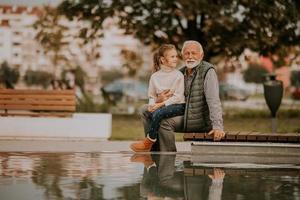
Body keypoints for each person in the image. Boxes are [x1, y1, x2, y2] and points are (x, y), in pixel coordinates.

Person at [140, 40, 225, 152]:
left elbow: (213, 100)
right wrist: (158, 100)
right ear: (183, 55)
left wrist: (217, 127)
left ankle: (167, 157)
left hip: (199, 120)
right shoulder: (180, 73)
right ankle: (153, 151)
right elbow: (169, 96)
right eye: (187, 53)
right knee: (144, 109)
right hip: (183, 113)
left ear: (201, 55)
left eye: (193, 53)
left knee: (164, 121)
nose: (190, 57)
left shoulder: (208, 71)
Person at [130, 44, 185, 152]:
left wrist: (158, 105)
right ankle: (154, 149)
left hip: (179, 105)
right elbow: (152, 95)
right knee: (148, 111)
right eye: (172, 57)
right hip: (162, 105)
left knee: (158, 113)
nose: (175, 59)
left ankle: (149, 141)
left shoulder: (178, 75)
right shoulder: (155, 77)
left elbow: (178, 97)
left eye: (176, 56)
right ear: (163, 60)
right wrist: (151, 105)